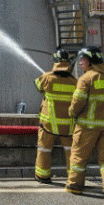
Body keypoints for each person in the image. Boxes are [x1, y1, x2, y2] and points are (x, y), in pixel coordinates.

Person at [65, 46, 104, 203]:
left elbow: (78, 102)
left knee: (79, 156)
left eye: (83, 60)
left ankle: (75, 185)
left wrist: (72, 113)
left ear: (90, 61)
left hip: (87, 127)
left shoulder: (86, 79)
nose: (81, 63)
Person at [33, 48, 77, 183]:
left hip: (48, 125)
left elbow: (37, 85)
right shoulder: (75, 82)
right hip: (68, 126)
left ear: (55, 62)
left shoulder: (47, 78)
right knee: (71, 151)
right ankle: (74, 178)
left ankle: (43, 176)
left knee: (44, 149)